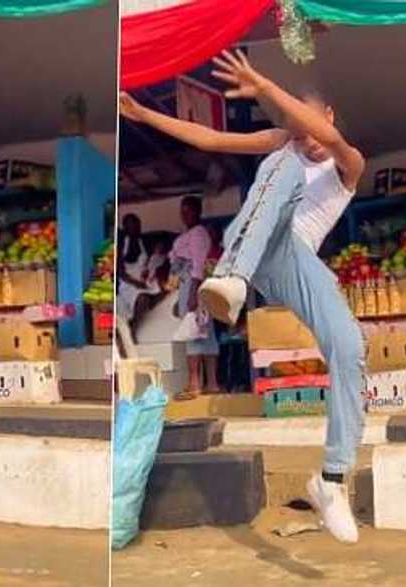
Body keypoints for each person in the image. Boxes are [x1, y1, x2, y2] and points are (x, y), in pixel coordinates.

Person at [120, 49, 366, 544]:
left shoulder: (348, 160)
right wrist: (144, 115)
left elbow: (328, 139)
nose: (307, 141)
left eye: (311, 130)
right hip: (257, 248)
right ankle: (232, 278)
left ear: (330, 118)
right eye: (298, 133)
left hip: (297, 262)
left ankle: (332, 480)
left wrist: (268, 88)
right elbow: (213, 138)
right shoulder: (285, 148)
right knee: (282, 163)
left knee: (351, 348)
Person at [168, 196, 221, 399]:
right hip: (190, 286)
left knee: (193, 333)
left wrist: (192, 295)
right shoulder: (191, 234)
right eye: (183, 211)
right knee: (206, 335)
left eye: (189, 211)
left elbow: (198, 266)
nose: (185, 215)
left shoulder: (198, 234)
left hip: (194, 285)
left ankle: (194, 383)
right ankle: (212, 384)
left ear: (197, 212)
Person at [116, 213, 161, 332]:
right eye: (132, 226)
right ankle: (133, 328)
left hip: (143, 280)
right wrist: (136, 283)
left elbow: (147, 263)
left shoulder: (143, 242)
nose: (135, 229)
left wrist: (148, 272)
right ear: (126, 228)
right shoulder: (121, 244)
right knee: (143, 299)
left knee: (162, 294)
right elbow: (120, 272)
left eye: (137, 226)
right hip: (128, 283)